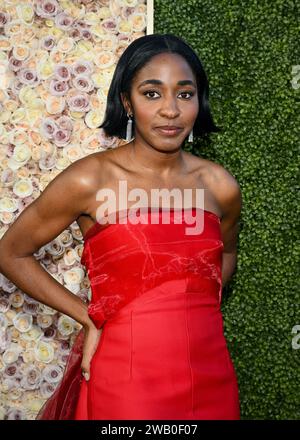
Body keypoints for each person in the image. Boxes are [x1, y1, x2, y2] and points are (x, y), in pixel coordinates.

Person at [0, 33, 242, 420]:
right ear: (127, 102)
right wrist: (88, 316)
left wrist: (185, 308)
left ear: (199, 101)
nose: (170, 110)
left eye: (184, 94)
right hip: (126, 374)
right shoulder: (91, 179)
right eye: (151, 93)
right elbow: (11, 252)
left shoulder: (219, 186)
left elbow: (224, 256)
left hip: (210, 373)